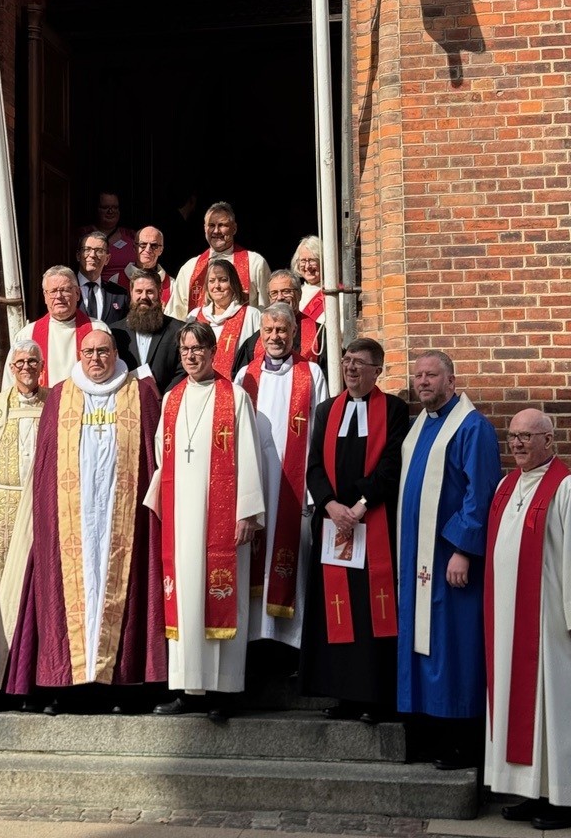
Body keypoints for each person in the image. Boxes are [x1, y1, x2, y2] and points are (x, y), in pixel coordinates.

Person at [6, 331, 165, 704]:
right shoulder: (61, 396)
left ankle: (120, 682)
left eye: (103, 351)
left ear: (115, 353)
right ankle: (67, 685)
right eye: (89, 352)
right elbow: (45, 469)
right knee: (71, 589)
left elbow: (152, 458)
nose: (96, 358)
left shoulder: (139, 394)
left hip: (121, 516)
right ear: (80, 355)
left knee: (119, 586)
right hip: (70, 518)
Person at [485, 408, 571, 829]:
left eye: (529, 435)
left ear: (550, 441)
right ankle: (532, 791)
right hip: (512, 623)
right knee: (526, 713)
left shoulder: (568, 489)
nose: (520, 443)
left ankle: (568, 800)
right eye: (513, 436)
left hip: (556, 625)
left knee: (560, 709)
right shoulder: (506, 487)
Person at [144, 321, 265, 722]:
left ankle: (224, 691)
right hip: (181, 517)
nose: (191, 356)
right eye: (185, 350)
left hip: (222, 516)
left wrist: (248, 511)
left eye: (198, 349)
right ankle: (188, 688)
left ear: (214, 352)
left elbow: (249, 454)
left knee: (218, 594)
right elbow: (164, 461)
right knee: (185, 598)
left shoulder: (234, 397)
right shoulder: (172, 398)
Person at [397, 350, 501, 767]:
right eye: (418, 376)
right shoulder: (419, 426)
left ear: (451, 381)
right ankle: (426, 736)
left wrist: (463, 549)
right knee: (422, 646)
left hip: (450, 563)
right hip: (416, 562)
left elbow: (482, 493)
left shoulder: (472, 428)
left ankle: (460, 744)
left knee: (452, 648)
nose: (423, 382)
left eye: (431, 375)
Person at [299, 337, 409, 722]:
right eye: (346, 361)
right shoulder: (328, 410)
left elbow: (391, 465)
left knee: (369, 610)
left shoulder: (394, 409)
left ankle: (373, 697)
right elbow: (312, 464)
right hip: (333, 524)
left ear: (377, 370)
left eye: (359, 363)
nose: (350, 368)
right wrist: (330, 505)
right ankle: (342, 692)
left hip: (372, 521)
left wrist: (359, 508)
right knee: (335, 610)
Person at [235, 302, 328, 651]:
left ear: (293, 333)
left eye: (282, 330)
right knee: (254, 564)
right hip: (256, 485)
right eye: (269, 331)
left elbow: (320, 434)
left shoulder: (312, 374)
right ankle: (254, 643)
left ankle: (291, 646)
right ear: (260, 335)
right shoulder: (246, 376)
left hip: (294, 486)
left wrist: (312, 491)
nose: (275, 337)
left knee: (294, 564)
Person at [0, 339, 49, 581]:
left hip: (40, 498)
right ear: (11, 368)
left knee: (38, 568)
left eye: (32, 361)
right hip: (5, 500)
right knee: (2, 568)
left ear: (42, 366)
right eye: (20, 362)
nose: (26, 367)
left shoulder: (53, 401)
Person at [3, 266, 110, 389]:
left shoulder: (98, 330)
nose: (59, 296)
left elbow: (111, 375)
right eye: (53, 291)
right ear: (45, 296)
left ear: (77, 293)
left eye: (65, 290)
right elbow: (11, 384)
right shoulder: (27, 335)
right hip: (42, 406)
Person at [168, 201, 270, 319]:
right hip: (200, 335)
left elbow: (266, 310)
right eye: (211, 225)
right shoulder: (189, 268)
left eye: (222, 225)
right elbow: (176, 316)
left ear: (234, 228)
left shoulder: (255, 263)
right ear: (205, 229)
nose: (216, 231)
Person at [111, 268, 185, 395]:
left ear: (160, 292)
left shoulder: (178, 330)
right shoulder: (115, 332)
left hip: (166, 401)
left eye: (150, 292)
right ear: (131, 292)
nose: (144, 297)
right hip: (124, 405)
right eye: (139, 291)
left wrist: (164, 397)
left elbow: (183, 369)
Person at [234, 268, 323, 369]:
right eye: (274, 293)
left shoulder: (319, 335)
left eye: (286, 291)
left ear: (299, 294)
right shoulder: (255, 341)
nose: (280, 297)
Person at [187, 257, 260, 379]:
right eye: (211, 281)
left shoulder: (251, 315)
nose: (217, 286)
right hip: (200, 385)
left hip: (236, 386)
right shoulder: (194, 316)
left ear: (233, 283)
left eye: (223, 280)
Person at [108, 225, 176, 308]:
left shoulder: (172, 286)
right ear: (134, 247)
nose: (148, 250)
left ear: (161, 250)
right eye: (143, 244)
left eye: (154, 245)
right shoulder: (115, 281)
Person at [79, 190, 137, 282]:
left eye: (115, 207)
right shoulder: (84, 234)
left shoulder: (131, 235)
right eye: (105, 207)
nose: (111, 211)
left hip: (131, 291)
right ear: (96, 209)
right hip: (98, 290)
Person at [76, 229, 130, 324]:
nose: (92, 255)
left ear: (107, 259)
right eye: (87, 249)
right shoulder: (65, 289)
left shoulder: (120, 294)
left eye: (99, 251)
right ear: (78, 256)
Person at [293, 236, 325, 326]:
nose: (307, 266)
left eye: (312, 260)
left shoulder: (336, 293)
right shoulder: (295, 293)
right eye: (303, 261)